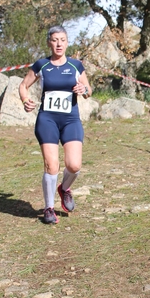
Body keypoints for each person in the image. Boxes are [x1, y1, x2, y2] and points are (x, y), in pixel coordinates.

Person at [19, 26, 92, 224]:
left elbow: (88, 91)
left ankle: (64, 189)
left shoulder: (76, 65)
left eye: (62, 40)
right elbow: (24, 85)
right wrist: (25, 100)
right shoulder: (41, 65)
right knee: (51, 165)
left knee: (74, 165)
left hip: (70, 119)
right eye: (54, 40)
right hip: (48, 119)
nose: (58, 44)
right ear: (49, 42)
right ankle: (49, 208)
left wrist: (83, 88)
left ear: (67, 42)